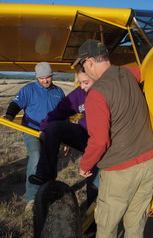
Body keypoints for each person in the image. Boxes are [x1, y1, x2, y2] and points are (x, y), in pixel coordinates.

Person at [75, 39, 153, 238]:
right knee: (136, 223)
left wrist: (85, 165)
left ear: (90, 62)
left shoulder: (96, 94)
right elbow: (150, 70)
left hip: (120, 170)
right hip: (149, 162)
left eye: (82, 65)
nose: (83, 69)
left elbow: (99, 140)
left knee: (107, 225)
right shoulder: (128, 73)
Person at [28, 68, 98, 206]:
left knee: (95, 177)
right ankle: (44, 174)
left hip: (102, 140)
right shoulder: (80, 93)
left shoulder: (108, 91)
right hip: (86, 135)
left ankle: (93, 214)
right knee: (53, 127)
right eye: (80, 82)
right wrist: (44, 128)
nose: (82, 86)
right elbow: (60, 110)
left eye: (85, 82)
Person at [4, 62, 65, 211]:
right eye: (42, 78)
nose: (45, 81)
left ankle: (48, 194)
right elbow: (16, 104)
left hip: (51, 133)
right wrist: (9, 116)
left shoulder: (59, 92)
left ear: (52, 76)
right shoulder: (28, 90)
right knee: (36, 155)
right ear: (37, 78)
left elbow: (64, 115)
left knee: (50, 162)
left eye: (48, 77)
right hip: (31, 130)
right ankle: (31, 199)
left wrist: (66, 139)